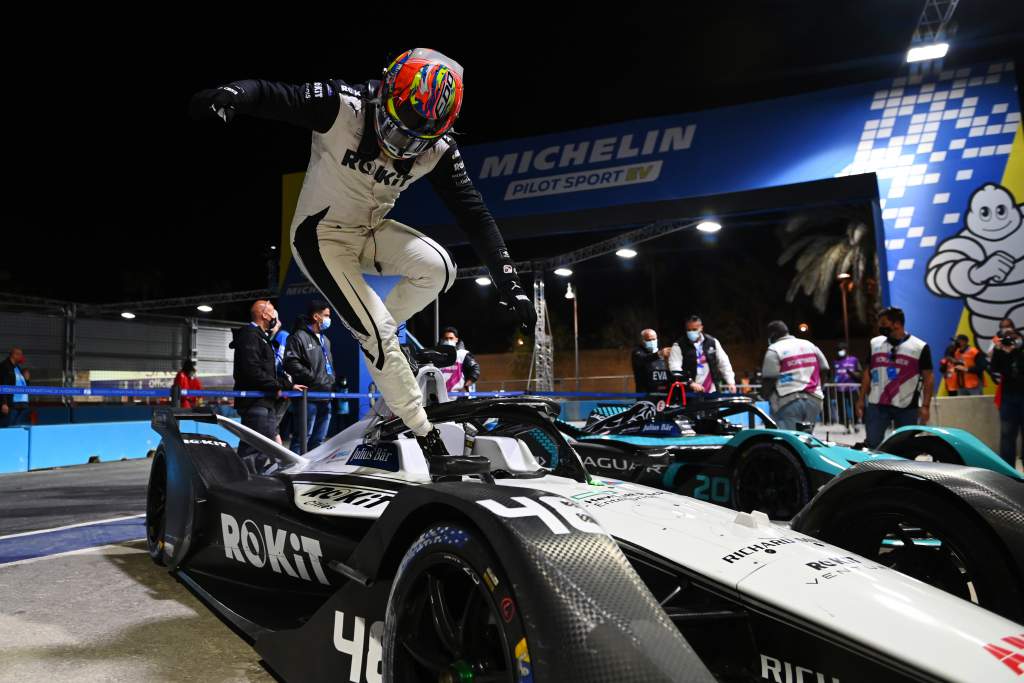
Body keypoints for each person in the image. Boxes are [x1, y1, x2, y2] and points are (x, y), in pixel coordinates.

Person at [190, 49, 535, 458]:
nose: (402, 144)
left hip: (369, 231)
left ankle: (381, 335)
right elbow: (269, 94)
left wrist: (510, 283)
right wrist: (230, 94)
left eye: (416, 138)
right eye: (399, 126)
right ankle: (425, 434)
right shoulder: (340, 104)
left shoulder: (439, 149)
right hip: (320, 237)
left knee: (440, 269)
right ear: (384, 91)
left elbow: (475, 216)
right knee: (378, 335)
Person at [231, 301, 305, 470]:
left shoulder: (260, 336)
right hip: (256, 404)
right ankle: (244, 485)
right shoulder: (250, 335)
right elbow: (253, 372)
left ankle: (246, 482)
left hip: (264, 403)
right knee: (255, 449)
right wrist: (281, 385)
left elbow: (265, 371)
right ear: (264, 315)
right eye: (273, 313)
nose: (275, 317)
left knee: (259, 448)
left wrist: (286, 385)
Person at [855, 307, 935, 448]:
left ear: (897, 324)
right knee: (873, 445)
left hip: (907, 405)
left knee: (906, 447)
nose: (880, 327)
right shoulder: (875, 344)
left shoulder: (919, 347)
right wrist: (861, 400)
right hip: (877, 404)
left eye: (884, 323)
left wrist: (926, 406)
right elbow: (868, 372)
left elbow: (928, 377)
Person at [284, 300, 337, 452]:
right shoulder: (298, 337)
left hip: (325, 396)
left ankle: (312, 472)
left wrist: (331, 378)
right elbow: (291, 363)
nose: (328, 319)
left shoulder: (325, 340)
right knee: (301, 439)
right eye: (326, 315)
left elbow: (329, 364)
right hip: (308, 396)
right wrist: (313, 378)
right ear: (316, 316)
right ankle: (292, 472)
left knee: (318, 441)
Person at [760, 321, 830, 431]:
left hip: (787, 401)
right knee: (806, 438)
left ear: (772, 335)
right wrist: (820, 389)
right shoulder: (809, 345)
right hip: (814, 400)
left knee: (790, 441)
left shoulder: (775, 349)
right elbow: (825, 368)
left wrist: (763, 395)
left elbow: (770, 378)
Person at [669, 315, 736, 395]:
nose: (691, 332)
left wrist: (730, 382)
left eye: (694, 329)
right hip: (689, 392)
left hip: (712, 390)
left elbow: (724, 362)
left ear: (701, 328)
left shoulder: (712, 342)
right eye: (688, 330)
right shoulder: (678, 345)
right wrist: (690, 382)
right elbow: (675, 367)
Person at [989, 321, 1023, 468]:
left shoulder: (1020, 351)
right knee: (1007, 436)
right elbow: (995, 368)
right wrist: (999, 349)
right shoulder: (1003, 352)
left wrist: (1015, 351)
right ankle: (1008, 470)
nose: (1010, 339)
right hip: (1008, 397)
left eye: (1012, 336)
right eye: (1006, 336)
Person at [438, 326, 480, 395]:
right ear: (442, 340)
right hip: (441, 398)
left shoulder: (462, 354)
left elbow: (475, 369)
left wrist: (466, 385)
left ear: (456, 339)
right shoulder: (438, 356)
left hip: (459, 398)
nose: (448, 341)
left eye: (451, 338)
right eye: (446, 338)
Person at [831, 341, 863, 429]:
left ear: (846, 350)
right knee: (841, 407)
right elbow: (832, 376)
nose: (840, 351)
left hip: (852, 388)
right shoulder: (835, 362)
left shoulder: (854, 360)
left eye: (842, 350)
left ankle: (856, 423)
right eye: (838, 350)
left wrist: (852, 373)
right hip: (839, 389)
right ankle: (845, 425)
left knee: (854, 406)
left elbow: (860, 373)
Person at [632, 328, 670, 395]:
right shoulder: (638, 352)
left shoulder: (663, 354)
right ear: (642, 340)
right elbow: (644, 359)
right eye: (648, 340)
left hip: (663, 393)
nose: (652, 342)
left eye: (654, 339)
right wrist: (659, 354)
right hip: (645, 394)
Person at [0, 348, 29, 428]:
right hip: (12, 405)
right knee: (7, 428)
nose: (22, 357)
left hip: (23, 405)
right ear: (14, 355)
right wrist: (3, 403)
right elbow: (3, 385)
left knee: (17, 429)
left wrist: (27, 380)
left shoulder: (18, 368)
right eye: (20, 355)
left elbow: (22, 386)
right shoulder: (4, 367)